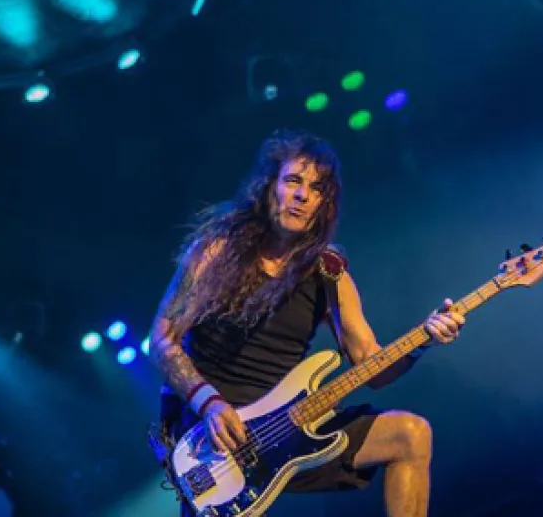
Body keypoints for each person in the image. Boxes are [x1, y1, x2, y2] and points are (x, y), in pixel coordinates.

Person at [149, 129, 465, 517]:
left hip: (290, 432)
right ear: (269, 187)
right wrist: (209, 402)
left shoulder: (329, 273)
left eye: (316, 189)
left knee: (411, 435)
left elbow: (372, 364)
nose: (302, 195)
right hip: (213, 439)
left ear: (323, 204)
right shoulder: (217, 251)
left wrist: (422, 342)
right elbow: (162, 339)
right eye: (293, 181)